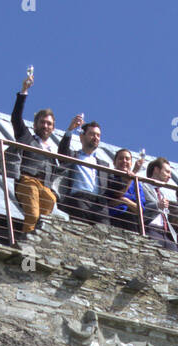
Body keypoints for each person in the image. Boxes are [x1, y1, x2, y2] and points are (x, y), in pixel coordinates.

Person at [10, 71, 60, 235]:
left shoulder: (52, 152)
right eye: (42, 123)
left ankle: (38, 239)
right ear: (36, 125)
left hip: (44, 186)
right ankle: (27, 245)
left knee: (50, 201)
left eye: (49, 124)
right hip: (27, 181)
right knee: (33, 213)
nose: (45, 126)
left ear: (53, 129)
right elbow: (16, 118)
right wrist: (24, 91)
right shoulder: (26, 137)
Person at [57, 116, 110, 224]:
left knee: (105, 235)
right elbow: (62, 152)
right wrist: (70, 130)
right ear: (81, 136)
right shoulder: (73, 156)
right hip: (79, 199)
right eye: (92, 134)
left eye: (98, 135)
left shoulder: (104, 164)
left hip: (99, 205)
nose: (96, 137)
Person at [105, 148, 147, 231]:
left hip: (132, 222)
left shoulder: (137, 184)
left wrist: (124, 201)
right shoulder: (108, 177)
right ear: (114, 162)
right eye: (120, 158)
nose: (124, 161)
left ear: (131, 163)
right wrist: (134, 173)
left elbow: (140, 210)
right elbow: (117, 195)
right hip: (113, 218)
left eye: (127, 159)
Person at [140, 157, 177, 250]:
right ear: (156, 170)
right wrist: (157, 205)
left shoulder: (162, 194)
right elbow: (138, 208)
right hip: (150, 229)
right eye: (167, 172)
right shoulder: (141, 186)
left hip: (165, 234)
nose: (170, 176)